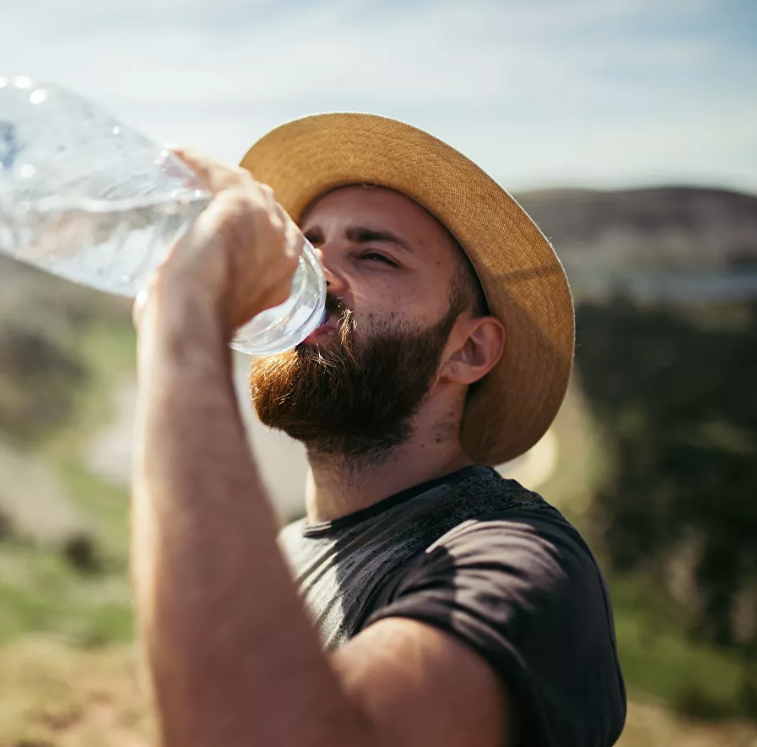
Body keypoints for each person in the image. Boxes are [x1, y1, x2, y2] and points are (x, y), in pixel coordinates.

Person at [130, 113, 626, 747]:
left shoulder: (521, 564)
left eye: (373, 255)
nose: (313, 277)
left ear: (469, 351)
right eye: (305, 248)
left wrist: (184, 318)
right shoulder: (280, 555)